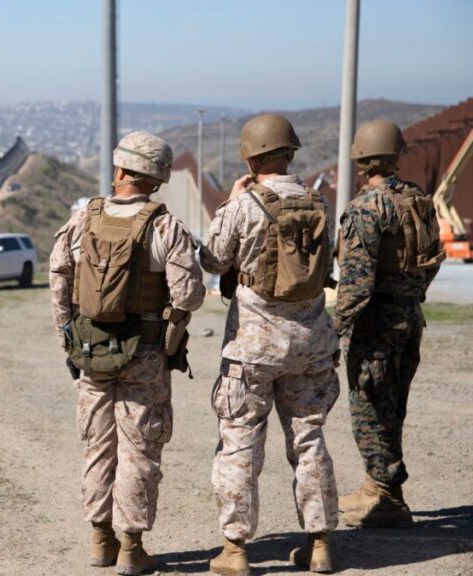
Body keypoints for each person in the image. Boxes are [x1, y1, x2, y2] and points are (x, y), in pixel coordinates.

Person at [49, 131, 204, 575]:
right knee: (139, 449)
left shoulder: (82, 220)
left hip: (90, 351)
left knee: (98, 446)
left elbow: (59, 280)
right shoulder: (165, 227)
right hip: (145, 353)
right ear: (157, 179)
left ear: (119, 169)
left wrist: (67, 339)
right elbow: (190, 294)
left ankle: (101, 540)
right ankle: (132, 548)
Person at [200, 114, 339, 575]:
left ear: (251, 159)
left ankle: (235, 549)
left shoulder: (244, 205)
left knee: (240, 444)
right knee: (309, 440)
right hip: (312, 344)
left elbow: (212, 259)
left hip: (253, 347)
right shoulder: (320, 203)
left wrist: (230, 202)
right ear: (290, 153)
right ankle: (319, 544)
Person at [335, 120, 444, 528]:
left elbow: (356, 284)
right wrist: (410, 295)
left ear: (360, 158)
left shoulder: (366, 208)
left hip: (375, 326)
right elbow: (433, 260)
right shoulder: (417, 199)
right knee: (392, 406)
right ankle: (376, 486)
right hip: (409, 317)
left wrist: (334, 330)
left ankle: (388, 500)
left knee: (370, 411)